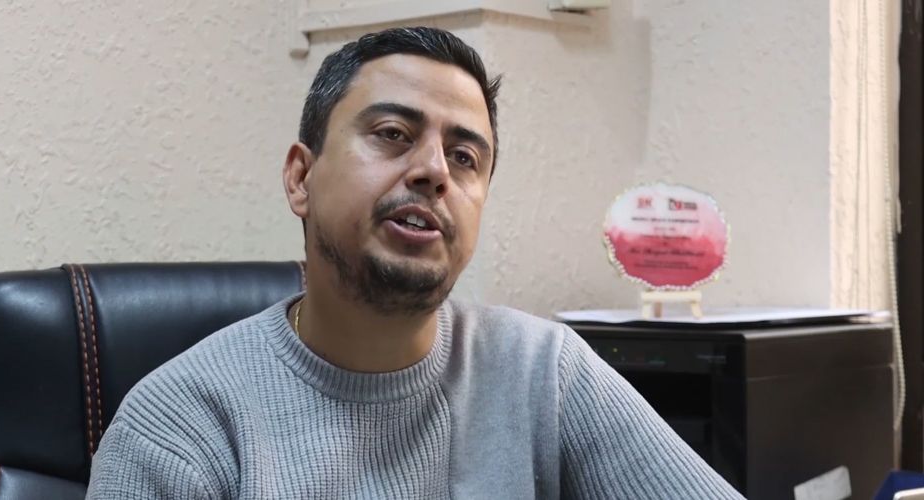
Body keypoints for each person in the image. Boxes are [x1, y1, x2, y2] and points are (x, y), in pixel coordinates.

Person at [87, 26, 744, 499]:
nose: (434, 171)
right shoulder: (179, 428)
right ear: (301, 178)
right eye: (393, 134)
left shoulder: (544, 372)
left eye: (464, 157)